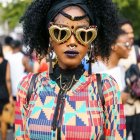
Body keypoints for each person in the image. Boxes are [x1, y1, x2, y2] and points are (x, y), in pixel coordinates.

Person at [15, 0, 126, 139]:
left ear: (91, 41)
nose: (72, 42)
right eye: (61, 32)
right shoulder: (28, 87)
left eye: (84, 34)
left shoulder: (106, 88)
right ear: (50, 37)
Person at [118, 18, 140, 140]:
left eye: (131, 32)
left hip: (138, 109)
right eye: (126, 33)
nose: (130, 36)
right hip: (123, 110)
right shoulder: (116, 53)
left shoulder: (137, 51)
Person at [0, 43, 12, 140]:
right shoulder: (5, 62)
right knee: (3, 120)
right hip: (3, 93)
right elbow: (8, 80)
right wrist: (10, 95)